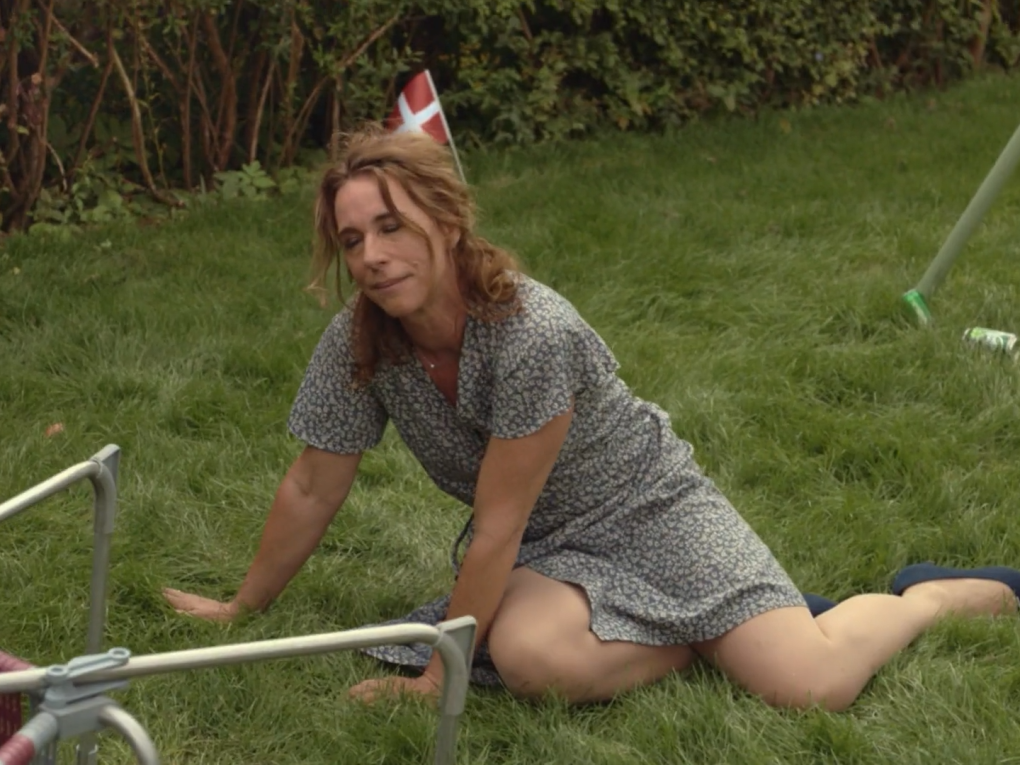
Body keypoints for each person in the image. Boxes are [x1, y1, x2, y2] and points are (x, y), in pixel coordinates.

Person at [163, 124, 1020, 710]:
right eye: (353, 240)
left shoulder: (531, 331)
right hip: (544, 546)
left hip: (651, 512)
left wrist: (435, 680)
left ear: (446, 220)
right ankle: (712, 632)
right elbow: (313, 485)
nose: (373, 257)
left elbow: (493, 525)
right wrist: (242, 606)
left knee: (809, 686)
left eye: (392, 226)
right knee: (532, 662)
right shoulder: (359, 341)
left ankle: (926, 596)